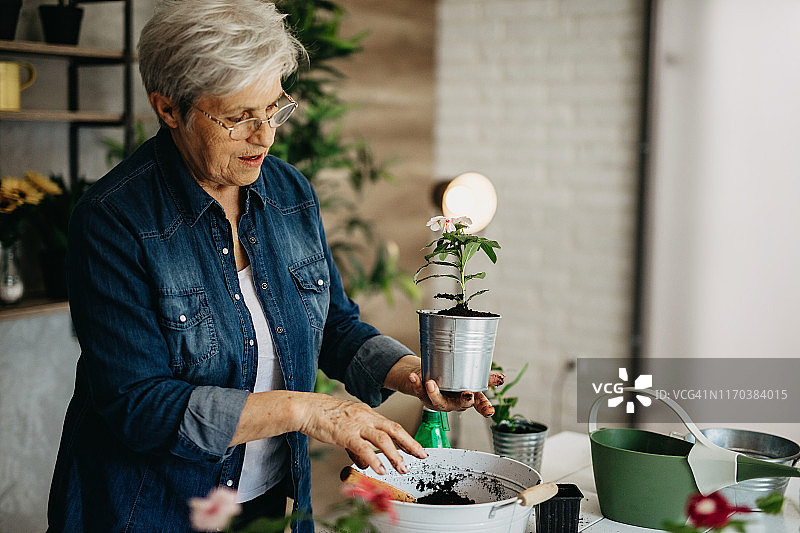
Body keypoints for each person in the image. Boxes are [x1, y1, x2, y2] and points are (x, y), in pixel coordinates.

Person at [46, 1, 500, 532]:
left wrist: (411, 374)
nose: (265, 137)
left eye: (274, 109)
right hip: (151, 511)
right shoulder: (113, 221)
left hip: (264, 506)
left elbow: (333, 322)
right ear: (169, 109)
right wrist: (309, 410)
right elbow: (139, 406)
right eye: (238, 117)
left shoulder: (288, 192)